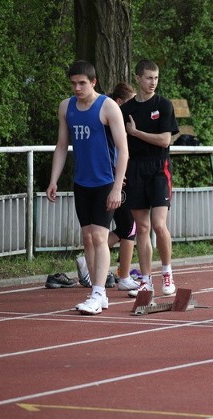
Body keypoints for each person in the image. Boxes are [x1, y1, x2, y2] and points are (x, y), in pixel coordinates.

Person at [46, 60, 129, 315]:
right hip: (82, 182)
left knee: (99, 237)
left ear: (93, 82)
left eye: (82, 83)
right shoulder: (66, 107)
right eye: (73, 83)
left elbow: (123, 149)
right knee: (87, 238)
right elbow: (62, 146)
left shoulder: (108, 107)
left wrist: (117, 187)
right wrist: (53, 179)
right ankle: (97, 290)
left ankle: (98, 292)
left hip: (105, 181)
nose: (77, 88)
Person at [120, 60, 179, 299]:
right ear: (138, 78)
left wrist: (136, 133)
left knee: (158, 224)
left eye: (156, 78)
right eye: (148, 78)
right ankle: (146, 280)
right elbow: (118, 142)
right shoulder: (126, 110)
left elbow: (165, 140)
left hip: (159, 168)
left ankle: (167, 272)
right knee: (142, 227)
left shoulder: (163, 105)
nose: (153, 82)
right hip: (134, 168)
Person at [74, 82, 139, 292]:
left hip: (116, 178)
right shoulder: (108, 115)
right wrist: (118, 180)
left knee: (114, 230)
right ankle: (123, 276)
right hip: (110, 180)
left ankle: (98, 270)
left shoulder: (121, 119)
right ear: (119, 102)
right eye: (131, 102)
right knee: (128, 227)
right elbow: (109, 151)